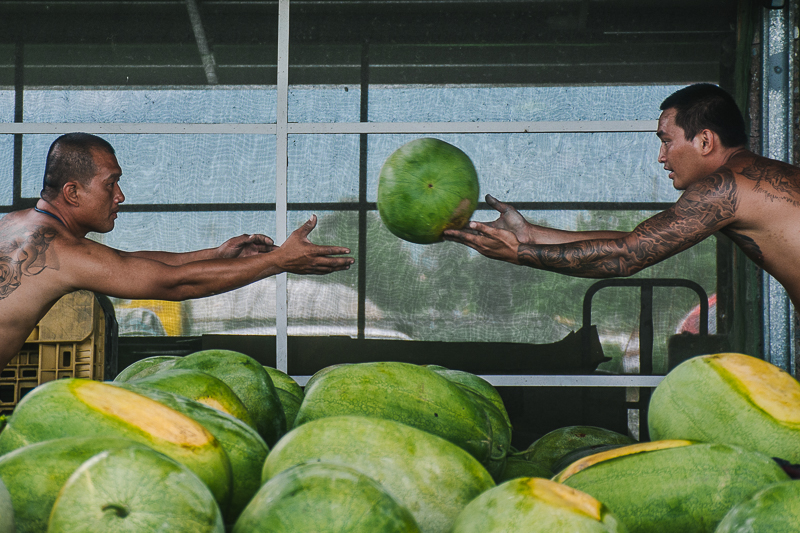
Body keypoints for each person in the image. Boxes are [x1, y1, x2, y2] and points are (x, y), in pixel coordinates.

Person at [0, 132, 354, 370]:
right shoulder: (63, 251)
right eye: (111, 184)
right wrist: (279, 261)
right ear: (73, 192)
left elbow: (129, 263)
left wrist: (218, 254)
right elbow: (172, 285)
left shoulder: (16, 224)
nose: (120, 195)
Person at [444, 83, 800, 309]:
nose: (661, 157)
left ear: (705, 141)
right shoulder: (741, 182)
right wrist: (530, 235)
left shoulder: (724, 188)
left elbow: (627, 257)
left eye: (665, 141)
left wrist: (521, 255)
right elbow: (634, 242)